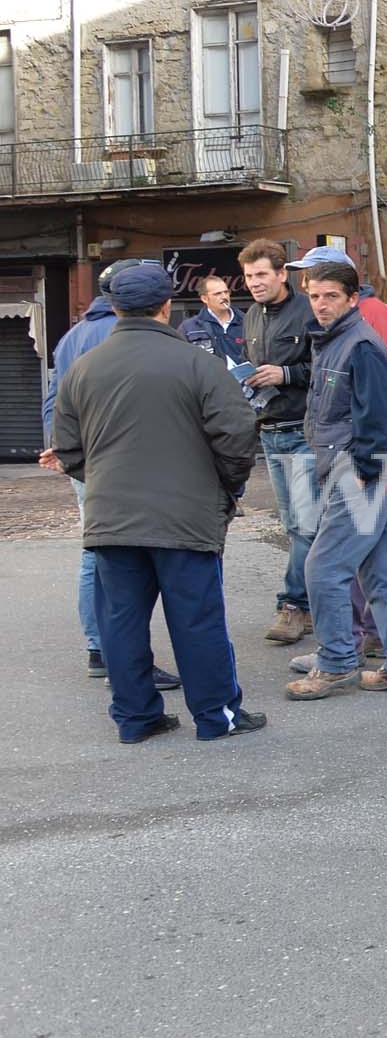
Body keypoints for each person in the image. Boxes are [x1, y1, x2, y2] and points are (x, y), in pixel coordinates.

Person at [49, 263, 264, 743]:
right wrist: (225, 488)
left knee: (120, 622)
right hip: (185, 516)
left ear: (117, 308)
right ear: (167, 307)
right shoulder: (198, 363)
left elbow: (66, 449)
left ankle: (136, 718)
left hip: (111, 517)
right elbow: (237, 433)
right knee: (197, 620)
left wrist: (103, 479)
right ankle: (216, 717)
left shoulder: (83, 368)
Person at [283, 257, 387, 699]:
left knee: (323, 567)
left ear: (351, 298)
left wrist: (366, 471)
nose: (321, 304)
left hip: (362, 472)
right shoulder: (333, 340)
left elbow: (382, 416)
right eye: (314, 296)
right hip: (355, 468)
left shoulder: (359, 343)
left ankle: (337, 662)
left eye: (331, 296)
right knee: (379, 571)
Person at [41, 268, 171, 688]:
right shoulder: (129, 333)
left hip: (84, 459)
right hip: (127, 461)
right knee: (128, 559)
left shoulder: (72, 336)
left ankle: (99, 647)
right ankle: (126, 656)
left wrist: (62, 451)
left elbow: (53, 399)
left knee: (95, 550)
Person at [239, 238, 321, 645]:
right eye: (249, 276)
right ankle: (311, 606)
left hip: (303, 431)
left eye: (261, 275)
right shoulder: (251, 316)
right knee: (294, 525)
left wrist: (285, 375)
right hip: (269, 431)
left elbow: (325, 368)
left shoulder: (308, 310)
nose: (254, 283)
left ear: (281, 273)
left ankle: (292, 605)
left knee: (306, 525)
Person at [181, 274, 246, 364]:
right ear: (204, 299)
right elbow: (182, 361)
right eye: (217, 294)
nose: (224, 297)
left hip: (246, 377)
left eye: (226, 292)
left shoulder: (247, 322)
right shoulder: (189, 328)